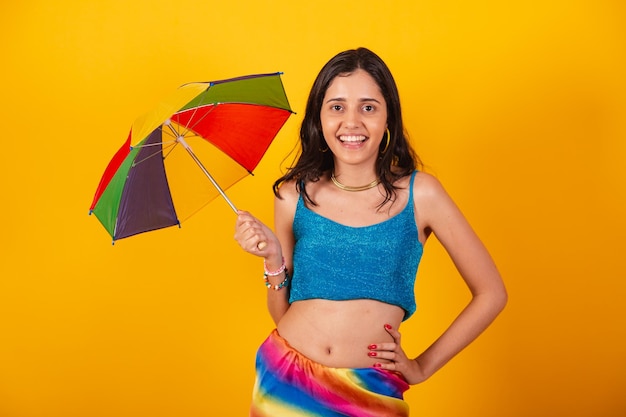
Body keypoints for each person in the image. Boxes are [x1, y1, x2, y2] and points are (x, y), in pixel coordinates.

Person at [234, 47, 507, 417]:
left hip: (370, 392)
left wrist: (422, 367)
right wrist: (273, 260)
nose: (351, 123)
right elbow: (282, 316)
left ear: (387, 116)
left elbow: (491, 293)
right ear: (319, 117)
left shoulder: (421, 194)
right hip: (286, 383)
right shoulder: (292, 195)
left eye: (368, 107)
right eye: (336, 107)